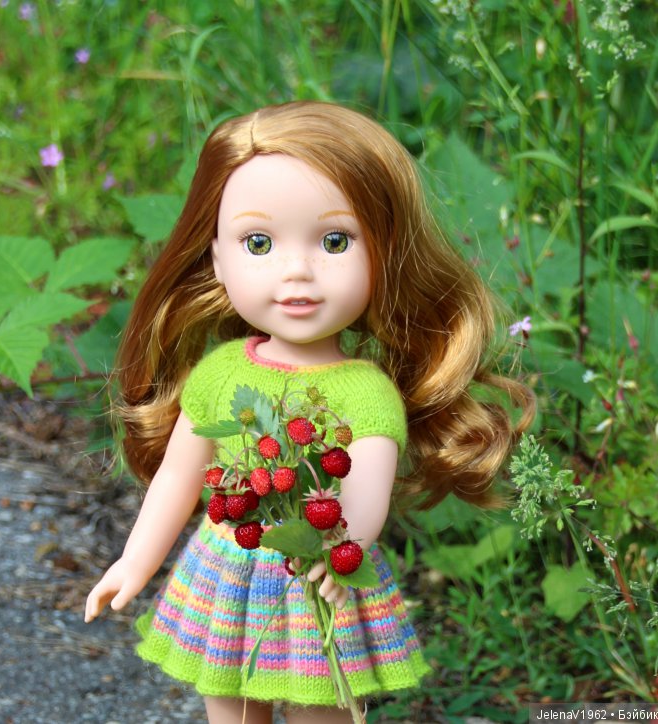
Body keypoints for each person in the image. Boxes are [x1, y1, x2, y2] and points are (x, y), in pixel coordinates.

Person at [84, 101, 535, 724]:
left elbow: (365, 492)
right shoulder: (221, 372)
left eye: (334, 241)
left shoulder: (363, 391)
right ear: (216, 259)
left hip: (317, 571)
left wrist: (342, 546)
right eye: (259, 243)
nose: (297, 270)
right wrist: (135, 560)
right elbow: (178, 476)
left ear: (384, 255)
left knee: (319, 704)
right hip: (229, 565)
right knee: (230, 701)